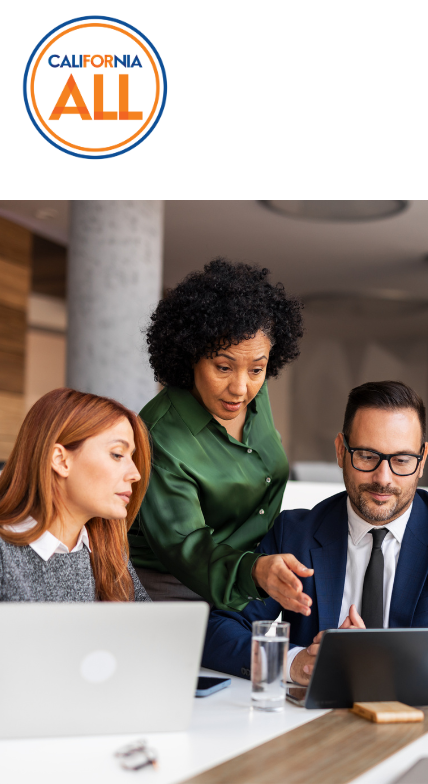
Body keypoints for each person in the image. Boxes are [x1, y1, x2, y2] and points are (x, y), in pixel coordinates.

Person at [201, 381, 428, 694]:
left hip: (414, 725)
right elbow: (217, 630)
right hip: (308, 725)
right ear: (341, 451)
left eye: (402, 460)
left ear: (422, 461)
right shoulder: (295, 533)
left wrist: (391, 665)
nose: (383, 478)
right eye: (367, 456)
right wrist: (294, 663)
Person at [129, 258, 310, 613]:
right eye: (223, 367)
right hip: (175, 589)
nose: (240, 389)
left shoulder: (254, 395)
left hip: (253, 580)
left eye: (257, 369)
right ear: (190, 356)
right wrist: (253, 571)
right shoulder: (159, 435)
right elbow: (188, 548)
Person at [0, 387, 151, 602]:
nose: (135, 474)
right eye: (117, 454)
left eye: (131, 457)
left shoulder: (110, 555)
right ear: (60, 460)